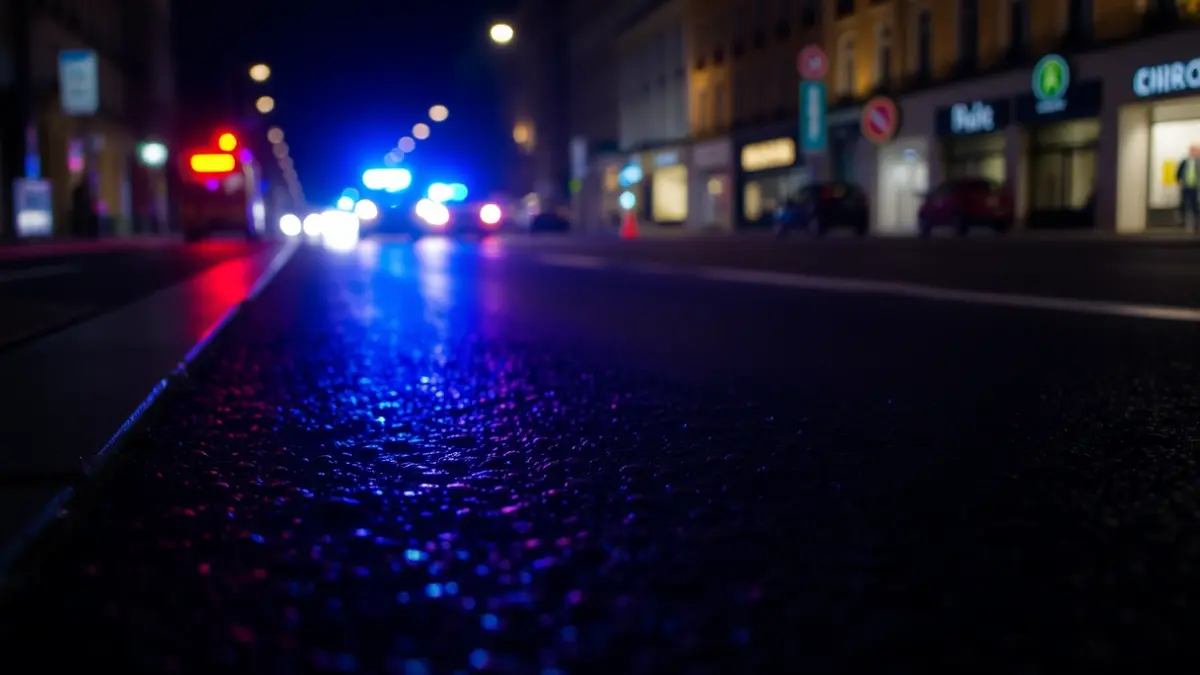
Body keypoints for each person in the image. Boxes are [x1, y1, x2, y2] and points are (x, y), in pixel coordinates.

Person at [1175, 144, 1200, 232]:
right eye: (1194, 150)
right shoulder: (1185, 162)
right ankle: (1182, 223)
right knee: (1184, 204)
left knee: (1195, 205)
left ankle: (1196, 225)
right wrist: (1179, 180)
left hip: (1196, 187)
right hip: (1186, 186)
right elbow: (1178, 173)